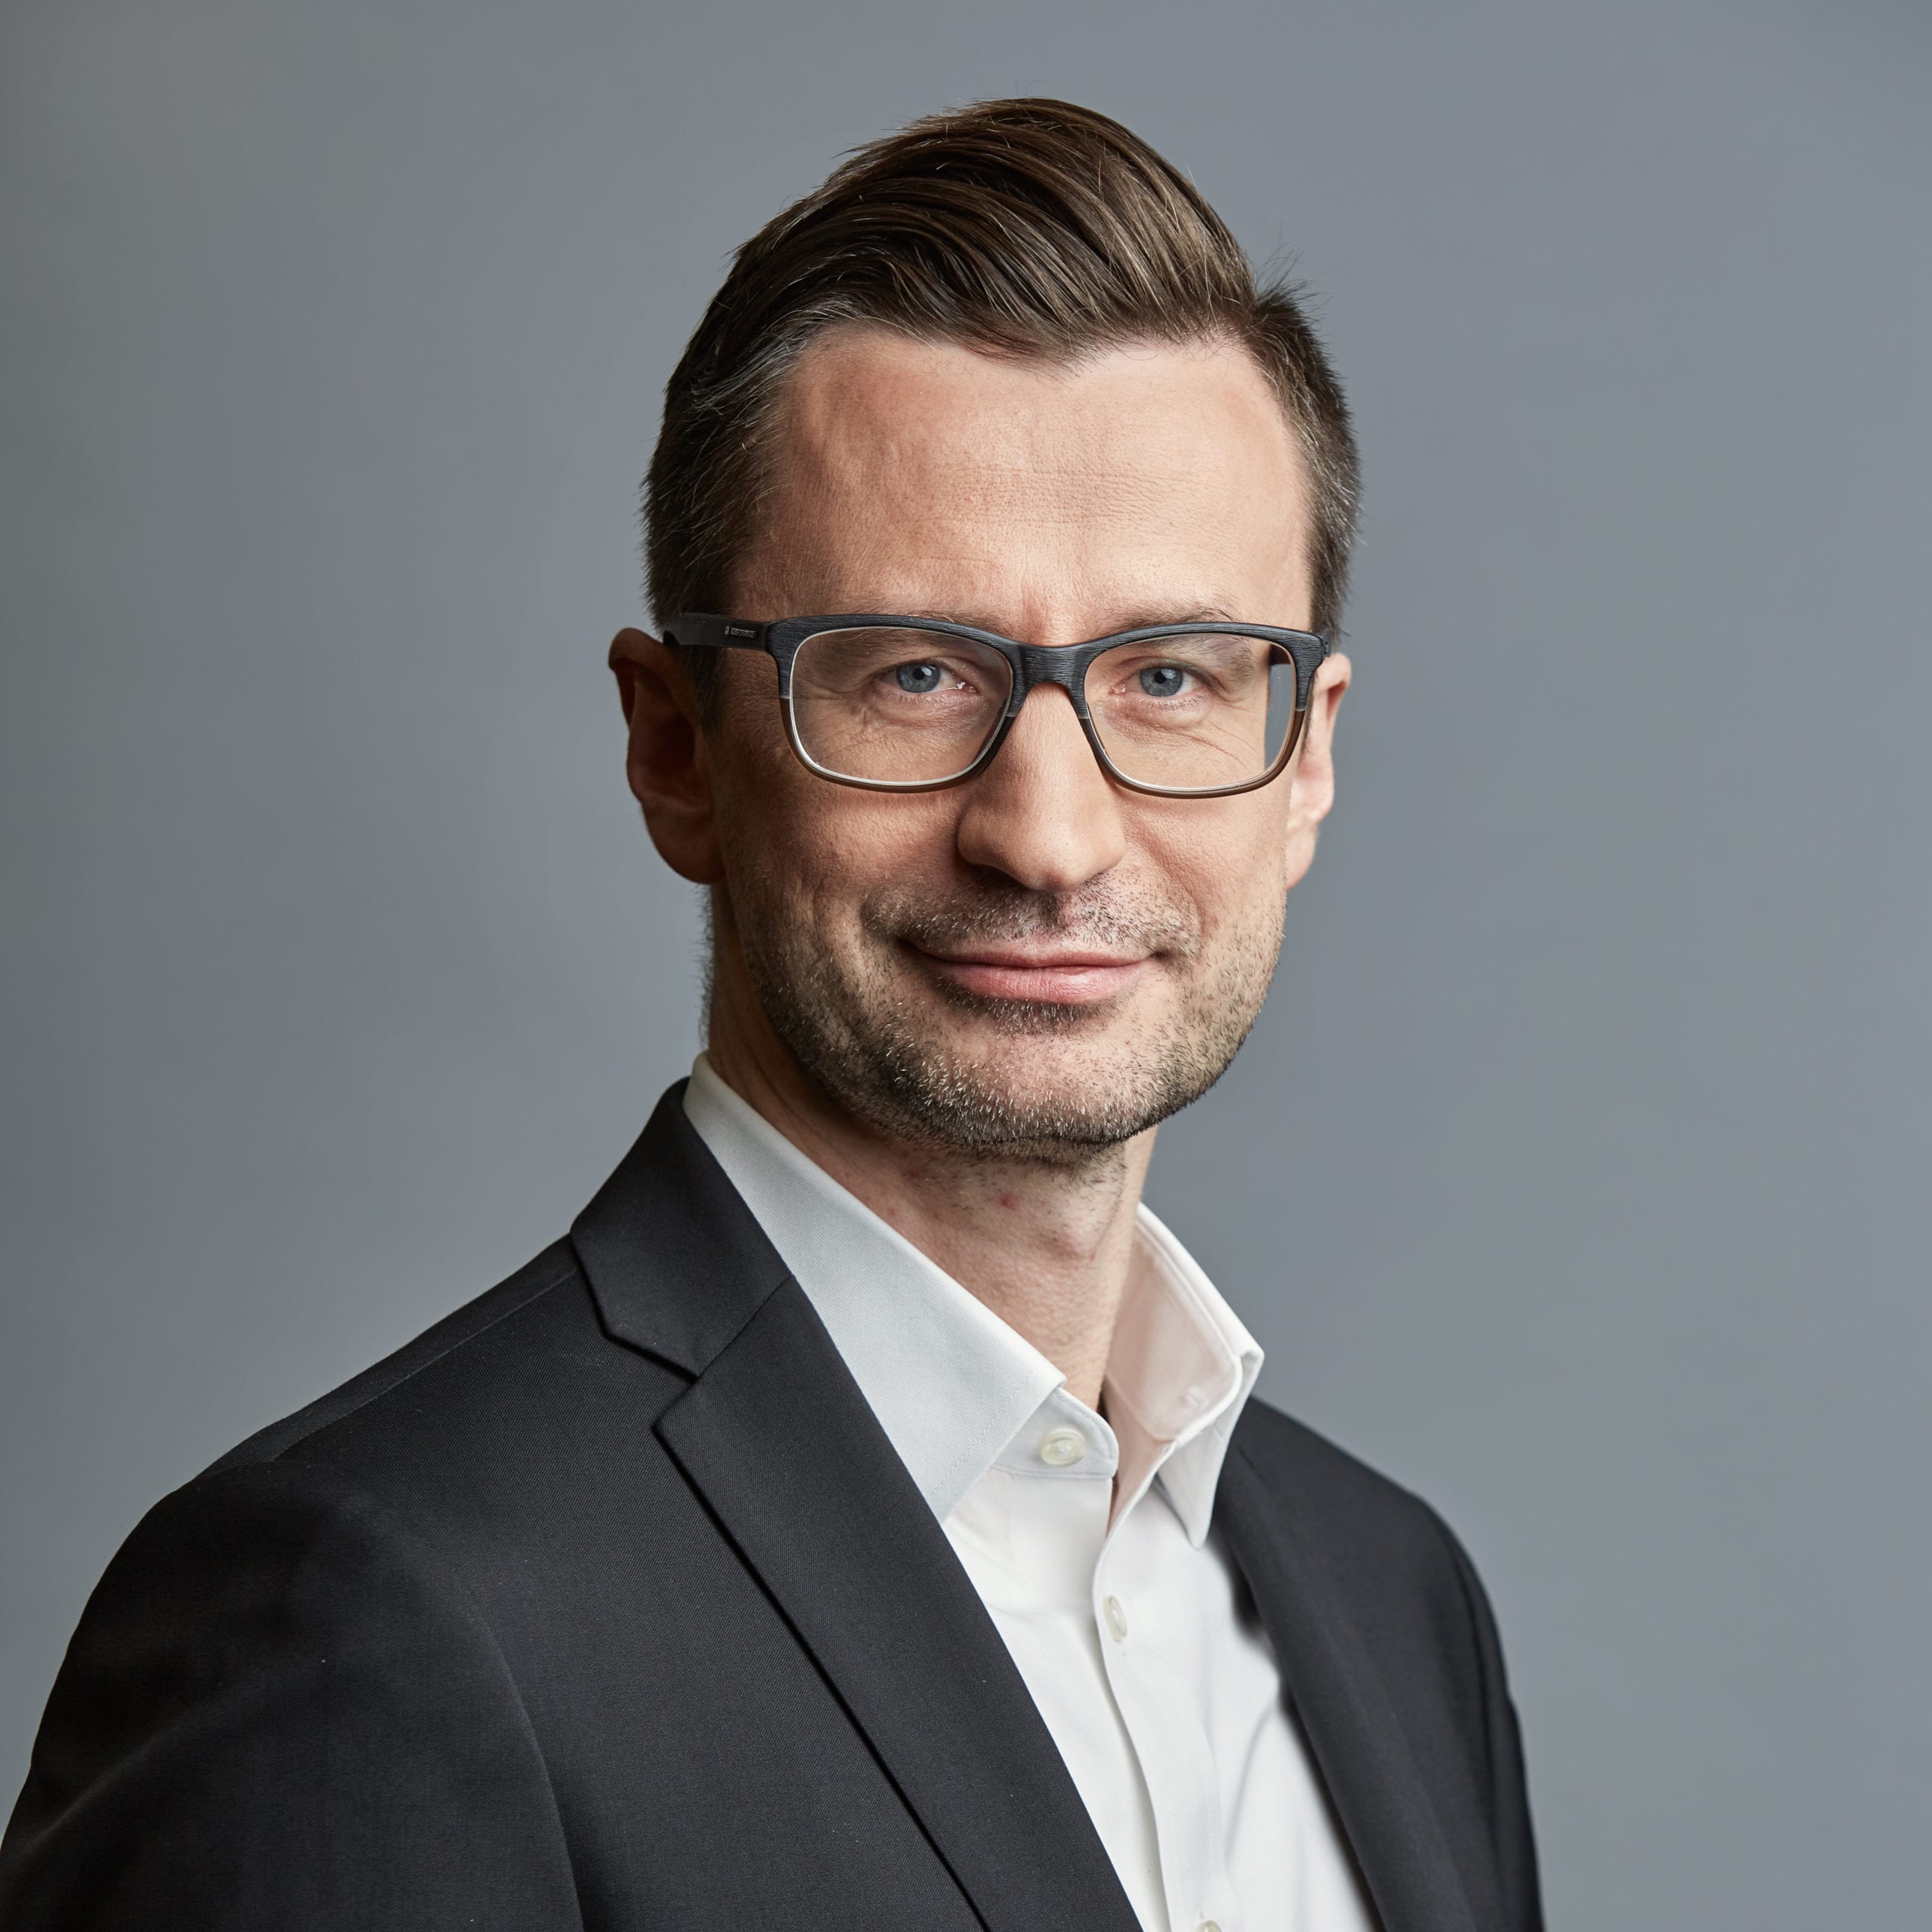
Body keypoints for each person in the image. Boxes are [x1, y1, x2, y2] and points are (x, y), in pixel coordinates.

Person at [0, 98, 1541, 1932]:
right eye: (906, 673)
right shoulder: (366, 1619)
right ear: (676, 750)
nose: (1046, 834)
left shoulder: (1394, 1601)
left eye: (1174, 675)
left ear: (1304, 762)